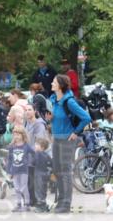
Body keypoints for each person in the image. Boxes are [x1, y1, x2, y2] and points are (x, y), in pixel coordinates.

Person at [48, 74, 91, 213]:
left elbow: (86, 117)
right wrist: (49, 119)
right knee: (57, 170)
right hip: (56, 138)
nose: (51, 83)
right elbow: (56, 119)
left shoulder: (69, 102)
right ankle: (61, 201)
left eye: (54, 82)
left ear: (61, 85)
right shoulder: (54, 100)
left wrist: (76, 132)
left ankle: (66, 204)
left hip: (67, 140)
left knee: (65, 171)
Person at [5, 126, 34, 211]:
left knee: (24, 187)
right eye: (15, 134)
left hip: (24, 170)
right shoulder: (12, 146)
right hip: (15, 170)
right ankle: (18, 204)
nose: (16, 136)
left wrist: (32, 162)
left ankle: (27, 204)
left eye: (18, 134)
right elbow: (9, 160)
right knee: (17, 188)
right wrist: (9, 171)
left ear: (23, 135)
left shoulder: (26, 146)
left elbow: (34, 153)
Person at [31, 137, 52, 212]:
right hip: (45, 175)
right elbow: (51, 164)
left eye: (37, 144)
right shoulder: (47, 155)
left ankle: (41, 207)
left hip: (38, 175)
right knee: (43, 190)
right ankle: (44, 204)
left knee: (38, 190)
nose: (35, 146)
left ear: (42, 147)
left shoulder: (37, 154)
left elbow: (32, 162)